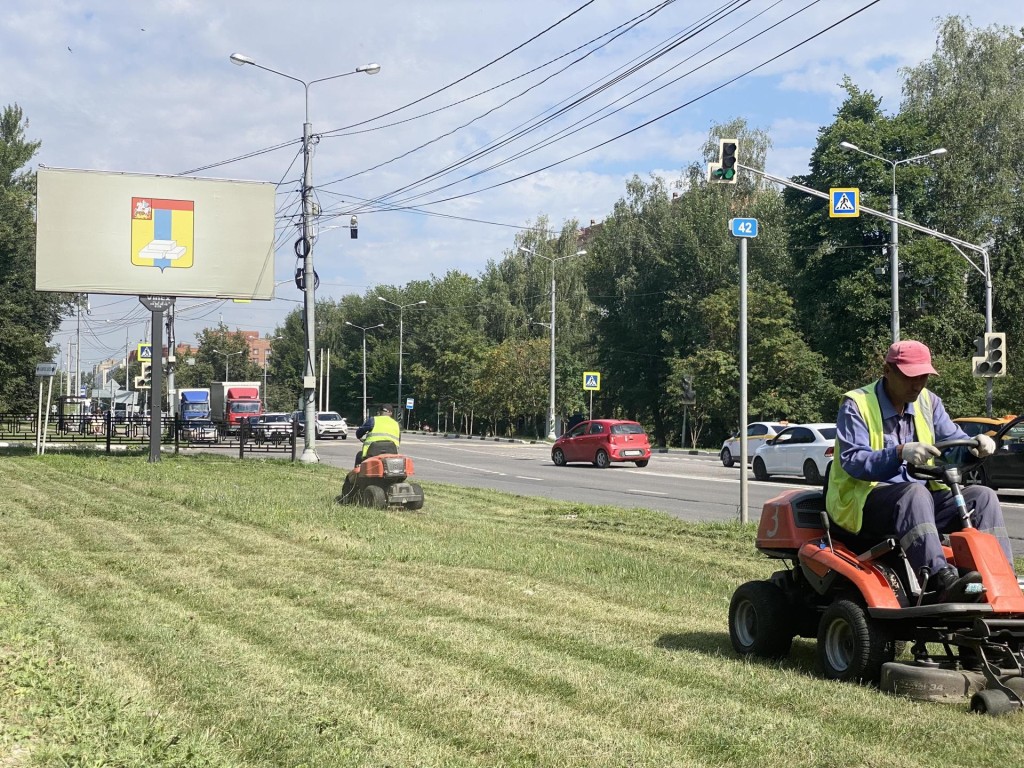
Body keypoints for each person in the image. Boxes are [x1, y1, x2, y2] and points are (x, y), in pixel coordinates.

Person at [826, 339, 1013, 603]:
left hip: (918, 504)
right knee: (914, 493)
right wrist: (899, 453)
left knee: (982, 497)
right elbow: (854, 460)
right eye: (910, 377)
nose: (918, 384)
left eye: (924, 376)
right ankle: (940, 578)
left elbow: (953, 445)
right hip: (866, 504)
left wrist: (976, 447)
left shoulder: (929, 402)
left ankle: (1001, 579)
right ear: (888, 371)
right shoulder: (857, 404)